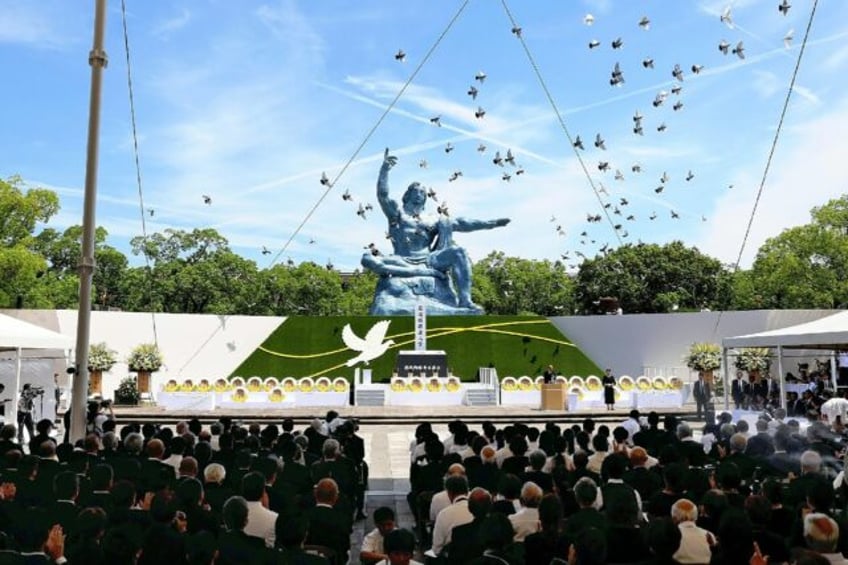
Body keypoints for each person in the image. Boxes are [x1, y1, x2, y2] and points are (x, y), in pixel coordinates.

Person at [361, 148, 510, 314]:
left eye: (423, 192)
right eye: (416, 191)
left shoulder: (432, 218)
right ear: (408, 194)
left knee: (458, 252)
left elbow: (462, 223)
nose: (420, 194)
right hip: (402, 258)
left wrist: (491, 223)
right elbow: (383, 196)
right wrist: (385, 169)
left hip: (430, 259)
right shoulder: (397, 214)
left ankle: (465, 300)